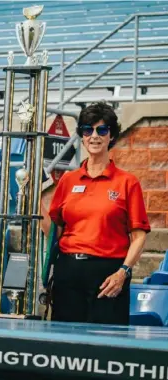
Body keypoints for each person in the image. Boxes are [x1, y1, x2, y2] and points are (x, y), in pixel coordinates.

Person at [41, 102, 150, 325]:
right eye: (88, 130)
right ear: (81, 135)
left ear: (111, 136)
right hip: (68, 271)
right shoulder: (68, 180)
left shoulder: (127, 182)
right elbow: (54, 231)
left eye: (102, 130)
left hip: (108, 275)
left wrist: (123, 272)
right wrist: (31, 199)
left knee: (106, 345)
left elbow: (139, 236)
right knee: (65, 341)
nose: (94, 136)